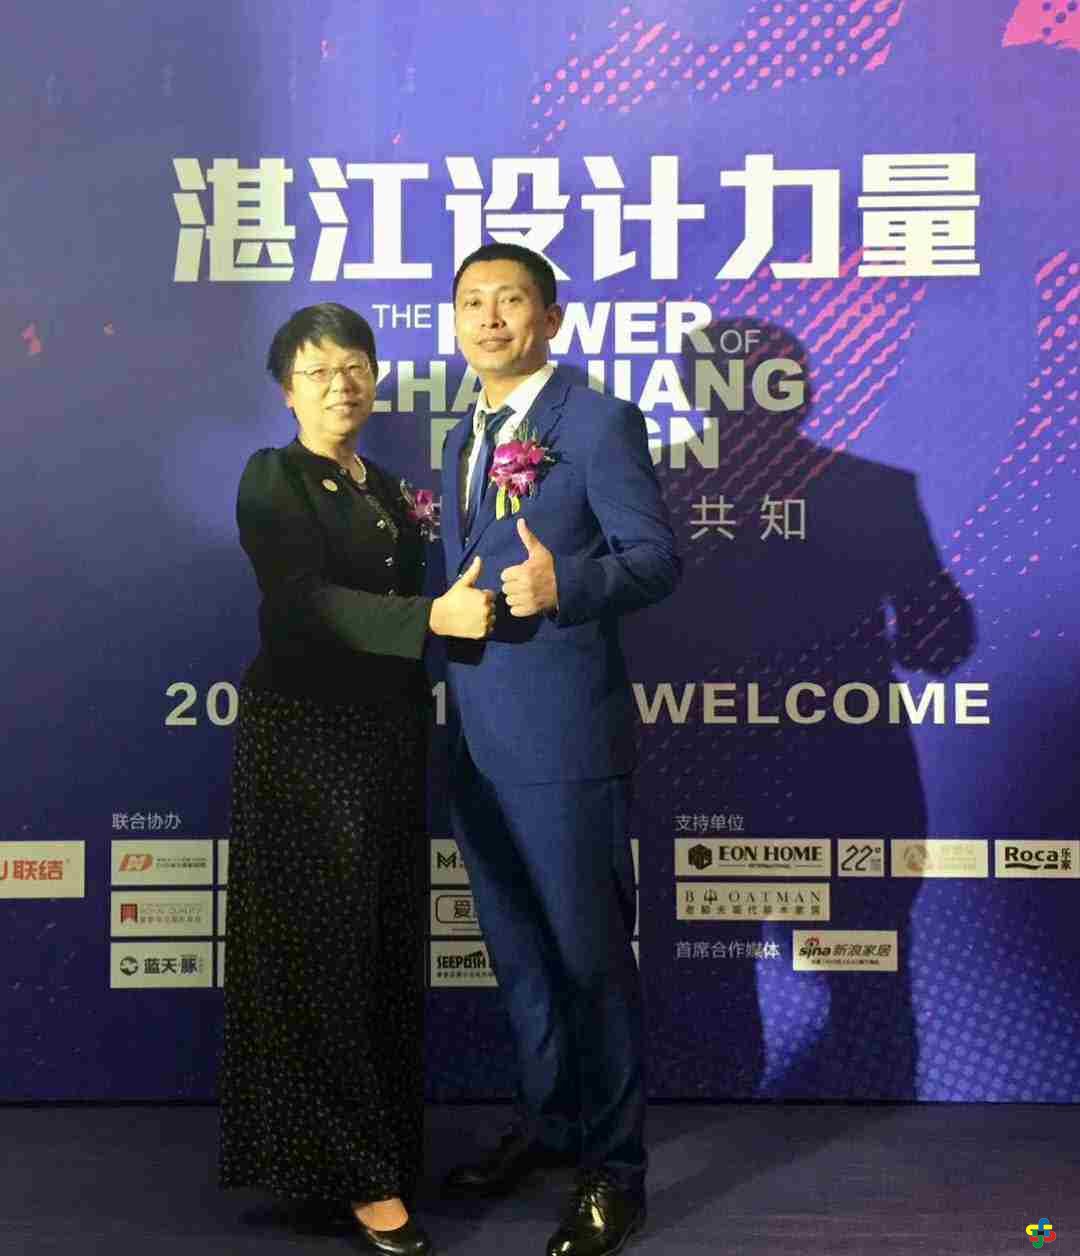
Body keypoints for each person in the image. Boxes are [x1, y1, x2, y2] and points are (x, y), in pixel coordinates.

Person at [219, 302, 494, 1256]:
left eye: (356, 367)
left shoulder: (392, 488)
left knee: (380, 947)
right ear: (286, 389)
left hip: (387, 735)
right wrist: (427, 620)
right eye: (318, 371)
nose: (341, 385)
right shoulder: (275, 476)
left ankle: (368, 1154)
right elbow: (298, 601)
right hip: (306, 740)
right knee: (321, 953)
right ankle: (358, 1177)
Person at [439, 245, 681, 1256]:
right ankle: (548, 1125)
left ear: (551, 318)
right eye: (472, 302)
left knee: (588, 962)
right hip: (474, 737)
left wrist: (565, 587)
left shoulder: (596, 420)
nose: (490, 318)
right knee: (521, 958)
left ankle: (615, 1171)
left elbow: (656, 556)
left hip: (566, 738)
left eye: (511, 301)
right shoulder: (462, 429)